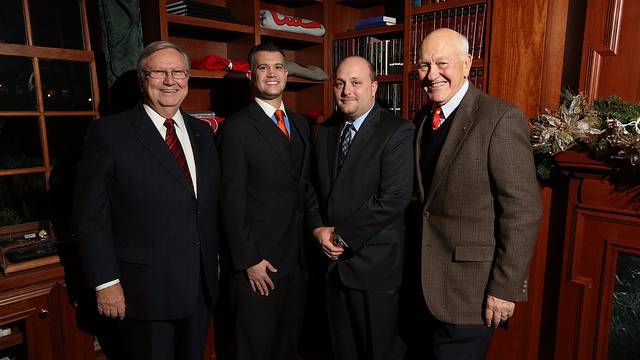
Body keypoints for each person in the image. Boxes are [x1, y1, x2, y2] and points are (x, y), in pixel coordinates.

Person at [73, 41, 220, 359]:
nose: (170, 80)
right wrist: (105, 282)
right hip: (144, 293)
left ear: (187, 78)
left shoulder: (202, 133)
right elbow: (90, 216)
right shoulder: (110, 133)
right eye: (159, 72)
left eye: (178, 72)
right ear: (143, 79)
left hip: (199, 289)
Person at [413, 28, 542, 359]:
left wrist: (505, 288)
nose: (432, 74)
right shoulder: (424, 118)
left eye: (442, 63)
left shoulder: (499, 118)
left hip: (471, 292)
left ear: (467, 64)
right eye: (424, 65)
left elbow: (523, 210)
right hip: (423, 287)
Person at [217, 43, 320, 360]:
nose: (271, 73)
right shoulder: (235, 129)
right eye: (263, 67)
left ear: (287, 74)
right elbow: (229, 202)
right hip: (259, 263)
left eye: (277, 67)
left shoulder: (301, 124)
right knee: (256, 348)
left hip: (298, 260)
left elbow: (305, 188)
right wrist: (248, 260)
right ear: (251, 75)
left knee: (289, 345)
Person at [308, 56, 415, 360]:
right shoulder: (326, 130)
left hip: (375, 268)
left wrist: (340, 238)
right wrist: (318, 230)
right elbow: (313, 187)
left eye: (356, 83)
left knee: (378, 352)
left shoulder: (397, 131)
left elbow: (392, 198)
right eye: (340, 83)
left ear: (374, 87)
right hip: (331, 266)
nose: (346, 91)